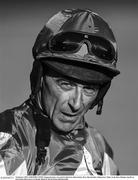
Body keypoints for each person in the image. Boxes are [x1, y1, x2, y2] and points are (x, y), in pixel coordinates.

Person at [0, 8, 120, 175]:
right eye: (66, 84)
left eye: (89, 89)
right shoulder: (10, 142)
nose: (76, 104)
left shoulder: (99, 147)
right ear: (39, 78)